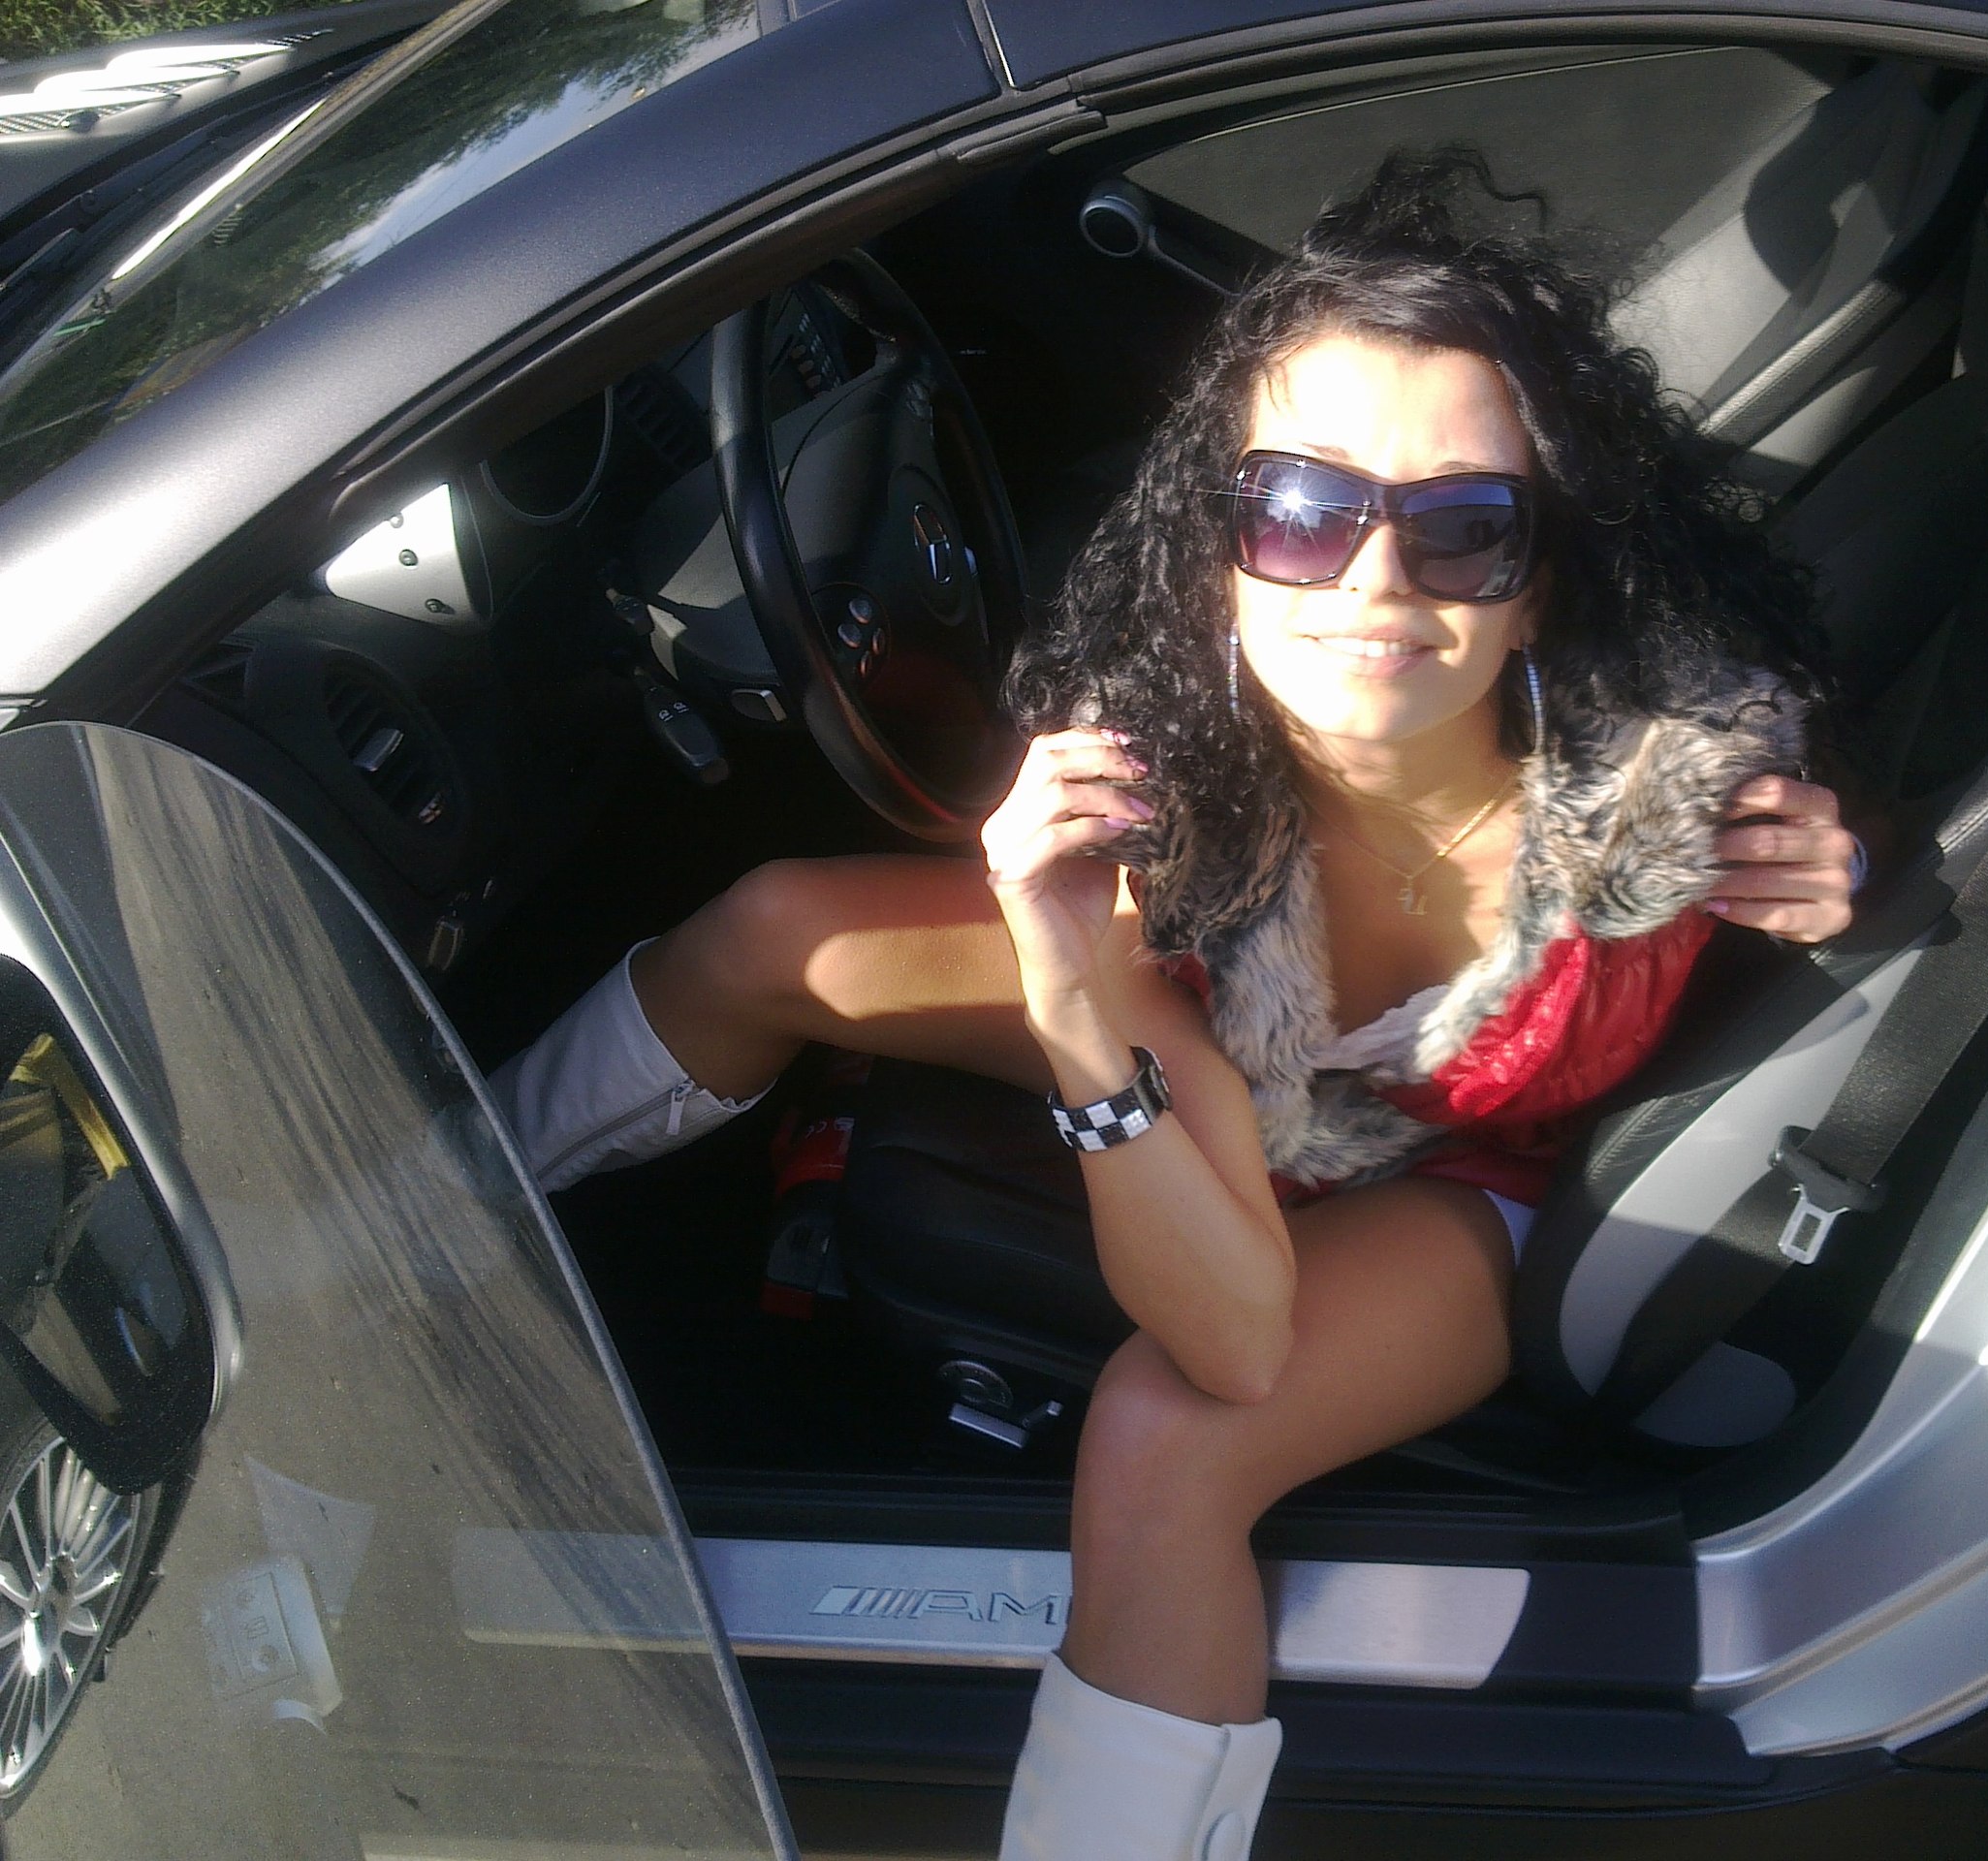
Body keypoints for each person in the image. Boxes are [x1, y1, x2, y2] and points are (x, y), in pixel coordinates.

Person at [489, 155, 1857, 1860]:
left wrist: (1830, 887)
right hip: (1202, 1030)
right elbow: (1173, 1097)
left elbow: (1234, 1347)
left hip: (1470, 1172)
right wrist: (1075, 982)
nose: (1373, 582)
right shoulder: (1173, 784)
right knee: (776, 927)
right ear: (1222, 553)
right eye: (1300, 511)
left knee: (1165, 1442)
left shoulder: (1678, 807)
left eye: (1462, 526)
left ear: (1539, 584)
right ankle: (421, 1209)